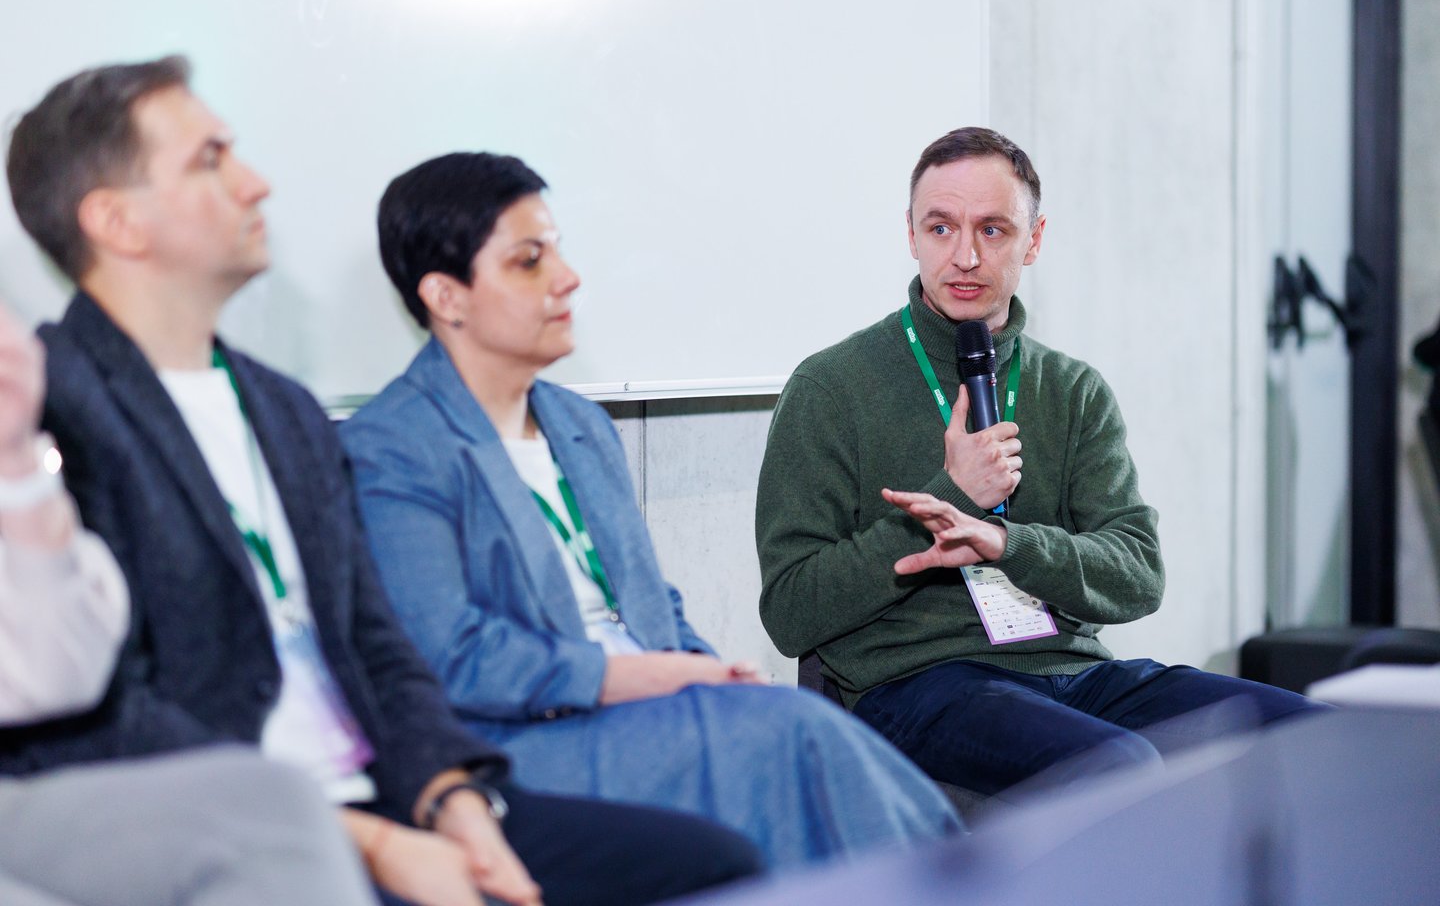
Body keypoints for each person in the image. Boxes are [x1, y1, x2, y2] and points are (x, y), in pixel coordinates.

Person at [4, 56, 762, 906]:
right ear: (117, 221)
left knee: (714, 864)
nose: (255, 183)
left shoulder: (282, 408)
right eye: (210, 159)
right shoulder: (46, 408)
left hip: (389, 792)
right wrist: (363, 841)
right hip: (234, 827)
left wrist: (454, 801)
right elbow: (101, 706)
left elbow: (378, 644)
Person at [339, 152, 962, 868]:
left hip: (653, 705)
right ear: (447, 297)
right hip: (531, 736)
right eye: (529, 261)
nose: (567, 277)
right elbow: (450, 656)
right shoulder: (391, 447)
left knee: (793, 732)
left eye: (558, 250)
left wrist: (702, 668)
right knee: (799, 740)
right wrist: (655, 679)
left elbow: (649, 600)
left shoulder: (578, 423)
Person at [754, 127, 1324, 798]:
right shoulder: (831, 388)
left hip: (1073, 672)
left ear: (1035, 239)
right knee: (1119, 767)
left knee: (1319, 735)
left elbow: (1138, 573)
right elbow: (790, 610)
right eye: (941, 228)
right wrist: (951, 496)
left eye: (993, 230)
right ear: (911, 235)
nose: (965, 256)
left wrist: (1009, 544)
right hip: (918, 682)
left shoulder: (1073, 390)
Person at [0, 300, 381, 906]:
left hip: (338, 782)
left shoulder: (284, 404)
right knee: (274, 814)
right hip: (90, 783)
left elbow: (60, 675)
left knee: (273, 809)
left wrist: (16, 462)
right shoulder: (83, 393)